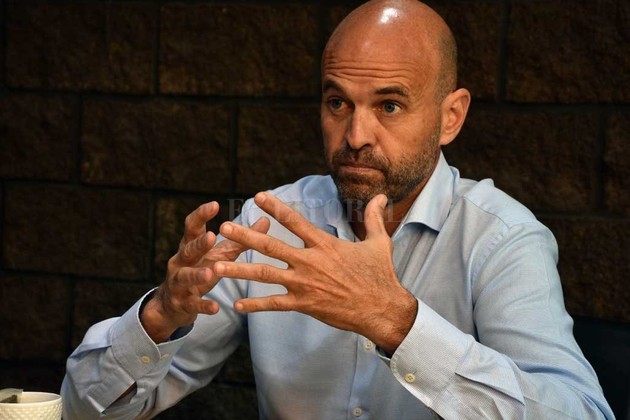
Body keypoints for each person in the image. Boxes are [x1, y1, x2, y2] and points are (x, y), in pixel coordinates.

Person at [61, 0, 614, 418]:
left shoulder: (502, 239)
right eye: (337, 102)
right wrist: (160, 316)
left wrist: (395, 321)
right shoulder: (269, 224)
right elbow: (85, 411)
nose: (355, 135)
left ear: (450, 117)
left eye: (389, 105)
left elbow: (582, 412)